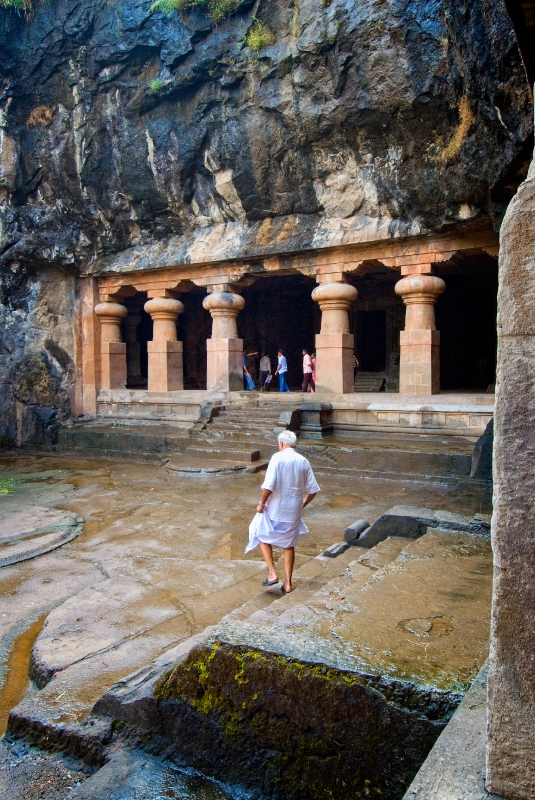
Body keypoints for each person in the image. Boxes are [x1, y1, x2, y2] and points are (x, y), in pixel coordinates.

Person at [246, 430, 320, 593]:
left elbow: (268, 486)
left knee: (260, 533)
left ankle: (272, 572)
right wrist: (303, 503)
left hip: (275, 508)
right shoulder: (303, 461)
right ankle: (288, 583)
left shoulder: (277, 458)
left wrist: (261, 503)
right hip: (293, 510)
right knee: (289, 544)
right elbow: (313, 490)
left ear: (281, 444)